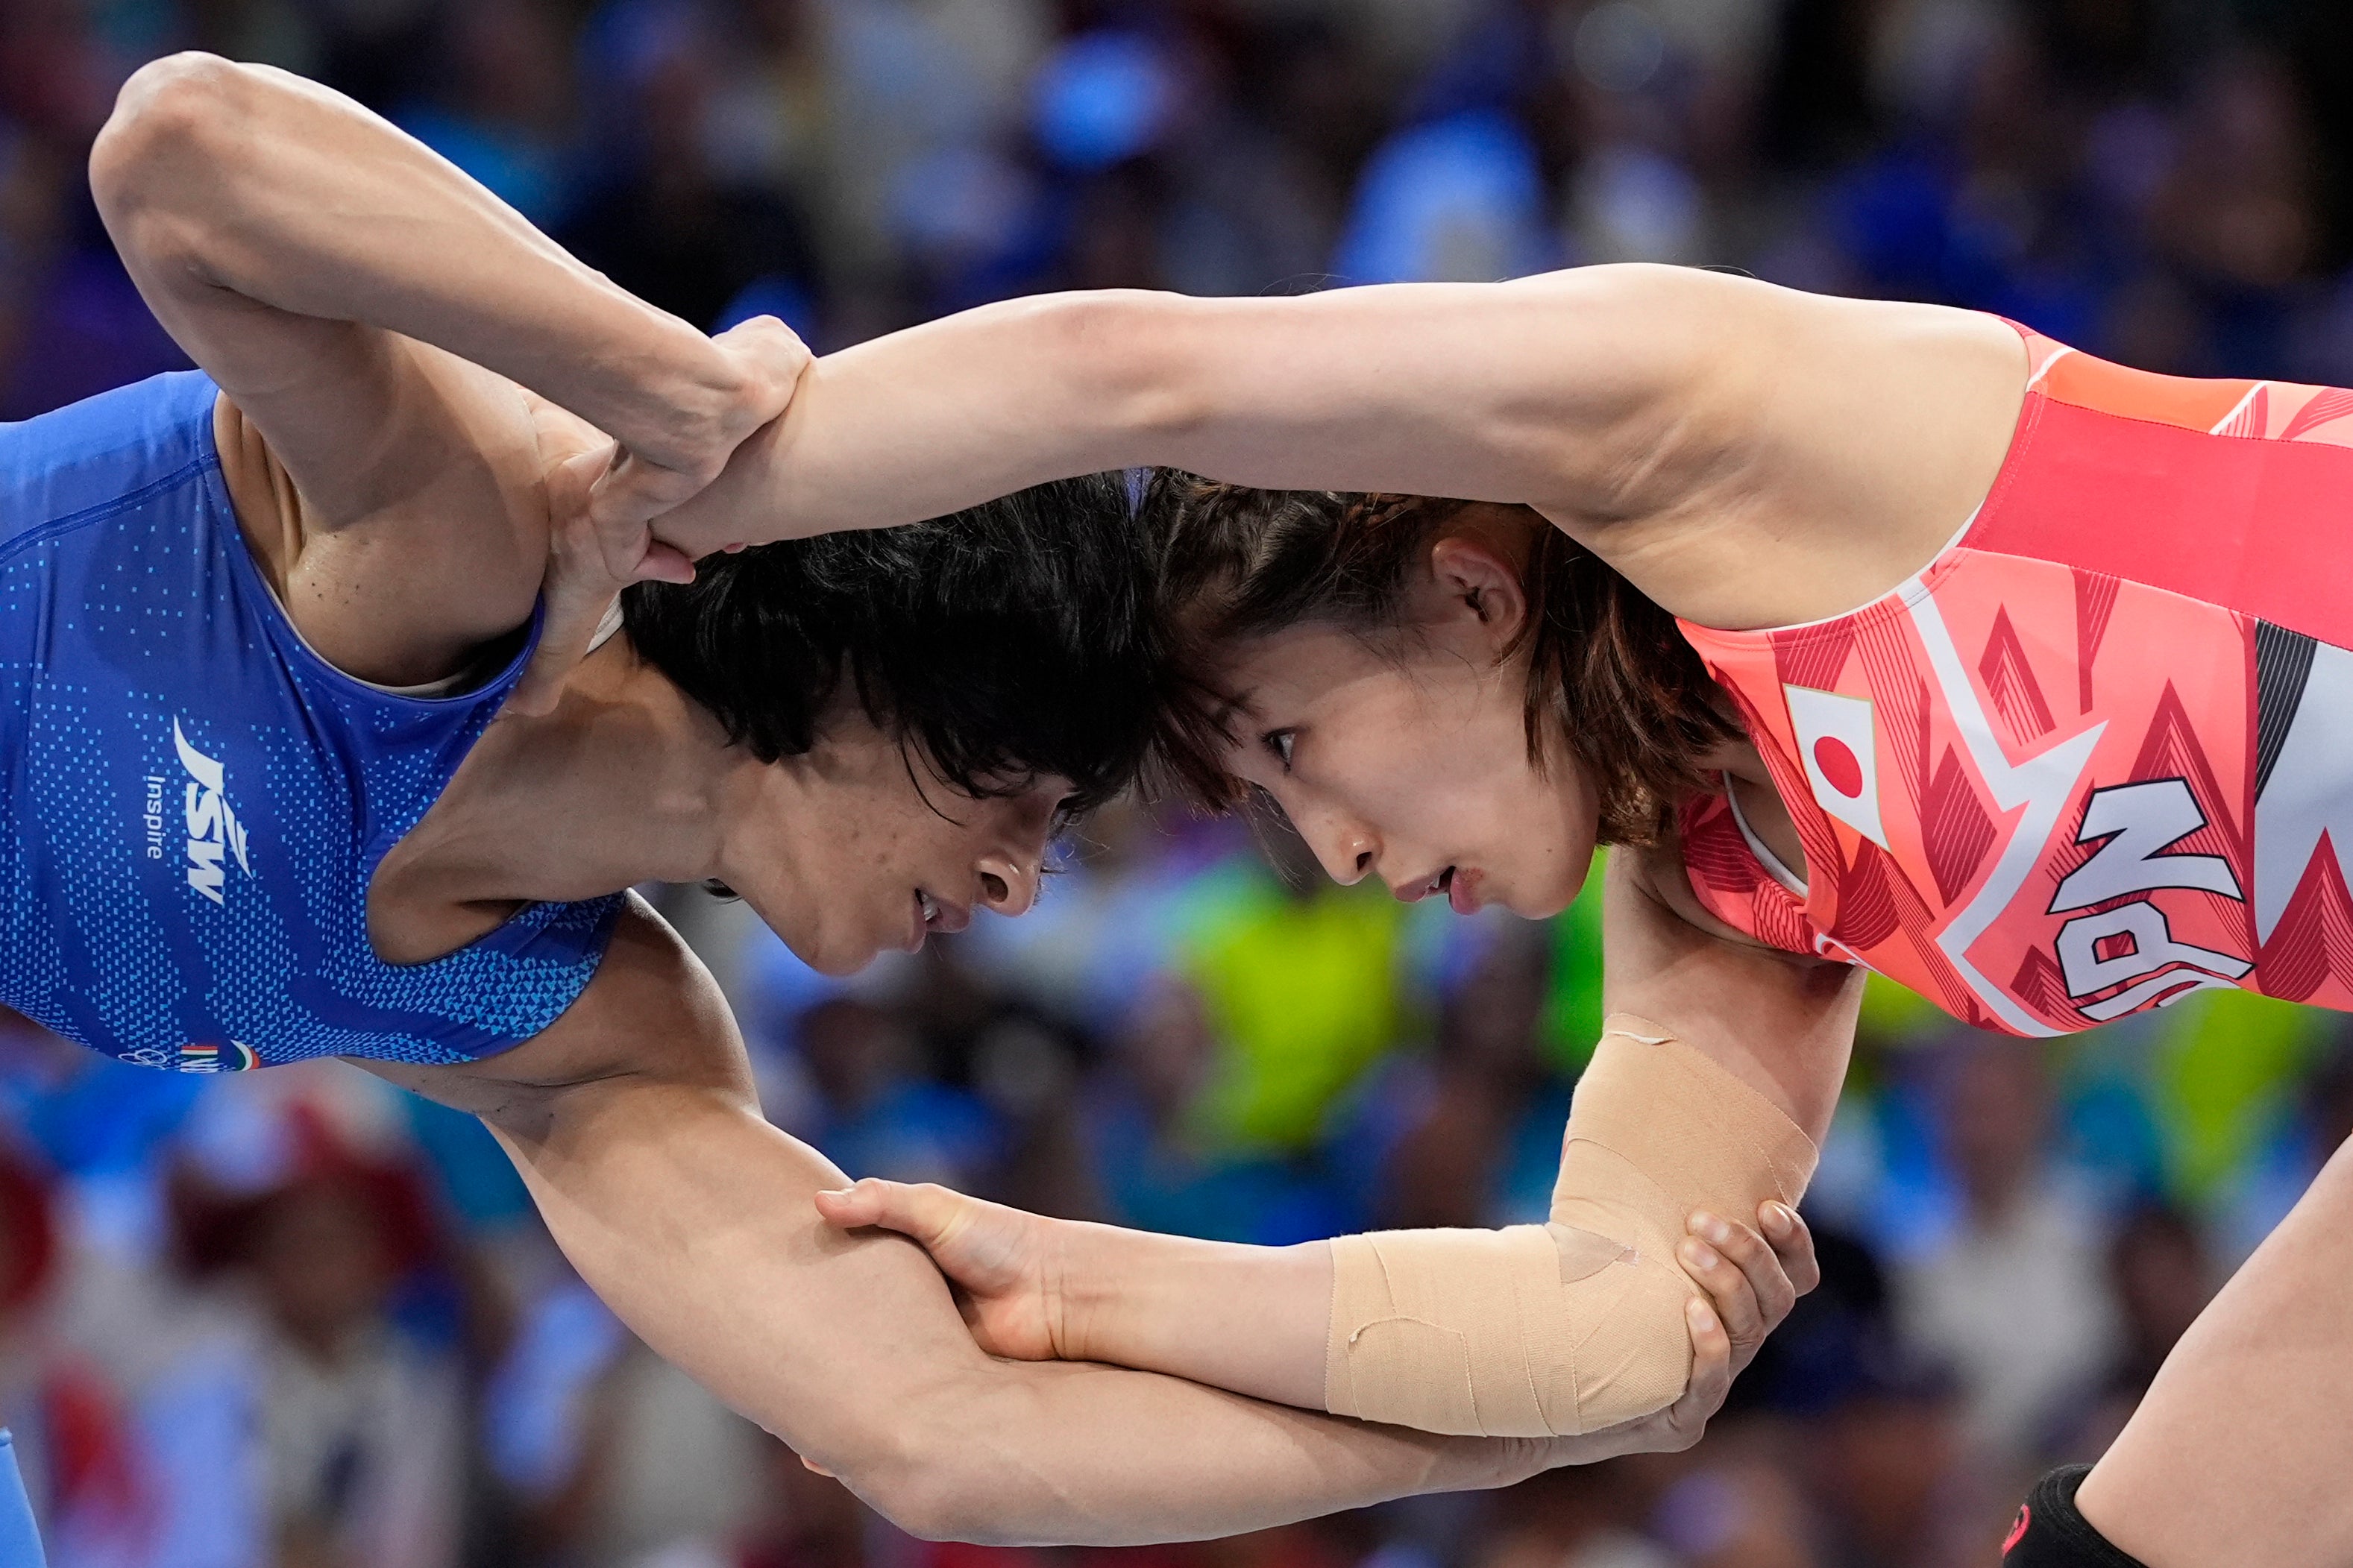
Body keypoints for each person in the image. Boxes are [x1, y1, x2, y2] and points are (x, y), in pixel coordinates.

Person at [4, 54, 1816, 1552]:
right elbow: (180, 148)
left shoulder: (598, 1028)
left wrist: (1502, 1438)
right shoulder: (475, 548)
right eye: (1020, 795)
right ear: (876, 679)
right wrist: (677, 388)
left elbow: (931, 1429)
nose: (1022, 886)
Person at [650, 266, 2353, 1567]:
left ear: (1472, 589)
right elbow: (1616, 1337)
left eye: (1297, 746)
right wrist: (1075, 1274)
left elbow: (1128, 371)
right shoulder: (1720, 887)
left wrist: (666, 487)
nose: (1338, 855)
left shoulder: (1724, 436)